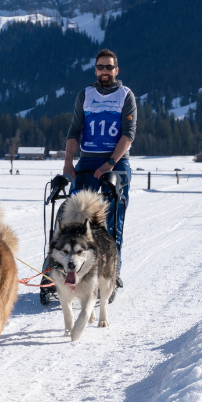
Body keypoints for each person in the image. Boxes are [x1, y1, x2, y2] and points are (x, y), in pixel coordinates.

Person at [47, 48, 136, 302]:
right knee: (72, 215)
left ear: (116, 70)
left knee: (111, 220)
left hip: (117, 162)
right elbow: (74, 130)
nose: (104, 71)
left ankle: (111, 273)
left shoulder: (125, 95)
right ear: (95, 70)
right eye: (100, 67)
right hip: (87, 160)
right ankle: (58, 272)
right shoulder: (85, 95)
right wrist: (68, 162)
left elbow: (128, 134)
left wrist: (110, 164)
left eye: (109, 67)